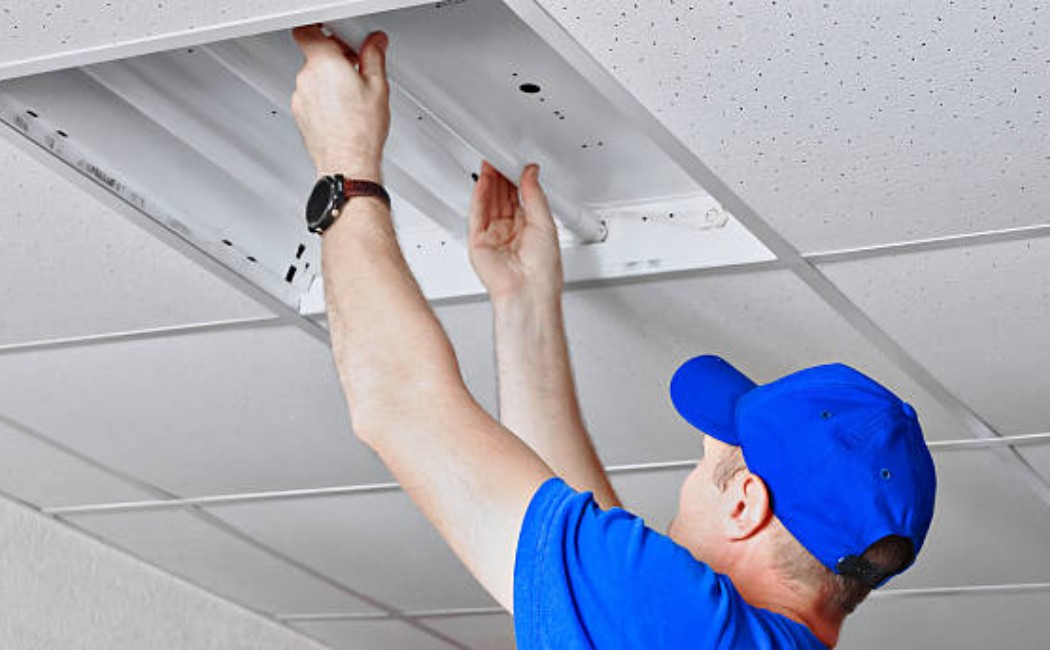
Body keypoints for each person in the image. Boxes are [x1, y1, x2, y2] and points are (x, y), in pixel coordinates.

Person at [288, 25, 937, 649]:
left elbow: (398, 406)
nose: (688, 482)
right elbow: (581, 554)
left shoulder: (686, 629)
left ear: (745, 502)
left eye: (704, 464)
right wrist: (522, 303)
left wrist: (344, 162)